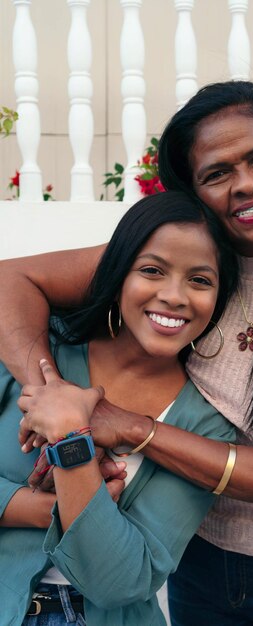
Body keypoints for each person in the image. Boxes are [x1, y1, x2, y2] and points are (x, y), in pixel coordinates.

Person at [1, 81, 253, 626]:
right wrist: (53, 395)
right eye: (217, 173)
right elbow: (14, 281)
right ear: (195, 192)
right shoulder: (180, 266)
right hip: (199, 560)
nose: (246, 184)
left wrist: (119, 425)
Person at [0, 190, 238, 625]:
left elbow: (121, 580)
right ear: (117, 277)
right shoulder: (34, 351)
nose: (174, 296)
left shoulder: (208, 426)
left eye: (200, 280)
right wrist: (59, 510)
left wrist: (72, 438)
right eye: (151, 270)